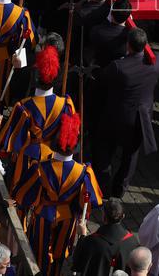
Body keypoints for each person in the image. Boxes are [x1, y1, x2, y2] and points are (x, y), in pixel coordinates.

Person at [19, 112, 104, 276]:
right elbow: (89, 200)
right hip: (66, 217)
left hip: (43, 214)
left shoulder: (41, 167)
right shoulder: (84, 172)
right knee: (58, 257)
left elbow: (25, 194)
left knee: (38, 252)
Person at [0, 45, 76, 197]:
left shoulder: (23, 107)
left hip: (27, 158)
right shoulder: (66, 104)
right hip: (52, 160)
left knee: (21, 193)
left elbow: (9, 142)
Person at [94, 27, 159, 198]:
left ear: (128, 46)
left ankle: (103, 186)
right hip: (140, 119)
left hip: (116, 117)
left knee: (105, 151)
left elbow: (102, 80)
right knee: (130, 156)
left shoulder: (119, 66)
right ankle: (120, 189)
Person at [71, 198, 140, 276]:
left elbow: (77, 264)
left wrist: (82, 236)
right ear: (123, 216)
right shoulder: (133, 242)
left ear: (104, 217)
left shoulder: (90, 242)